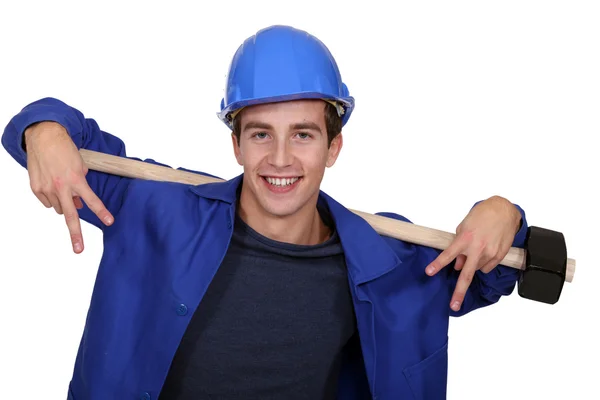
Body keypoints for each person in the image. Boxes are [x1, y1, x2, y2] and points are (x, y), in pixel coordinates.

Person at [2, 25, 527, 400]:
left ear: (333, 148)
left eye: (303, 134)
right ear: (235, 145)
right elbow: (62, 137)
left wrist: (503, 213)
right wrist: (41, 130)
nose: (279, 159)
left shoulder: (389, 260)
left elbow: (495, 268)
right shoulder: (155, 207)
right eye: (260, 134)